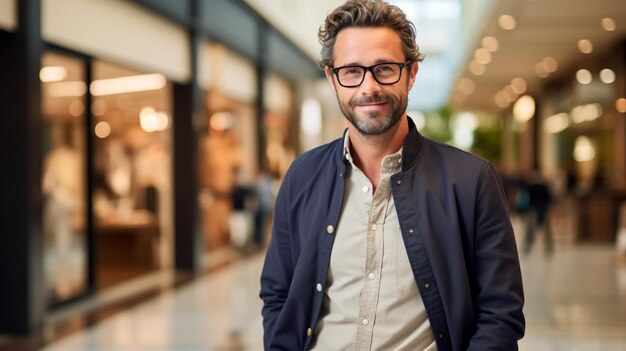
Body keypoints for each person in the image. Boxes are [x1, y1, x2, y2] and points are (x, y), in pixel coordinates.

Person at [259, 1, 525, 350]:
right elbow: (278, 294)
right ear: (332, 78)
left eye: (384, 68)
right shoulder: (302, 176)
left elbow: (501, 314)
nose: (369, 87)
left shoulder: (471, 180)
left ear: (411, 73)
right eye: (351, 71)